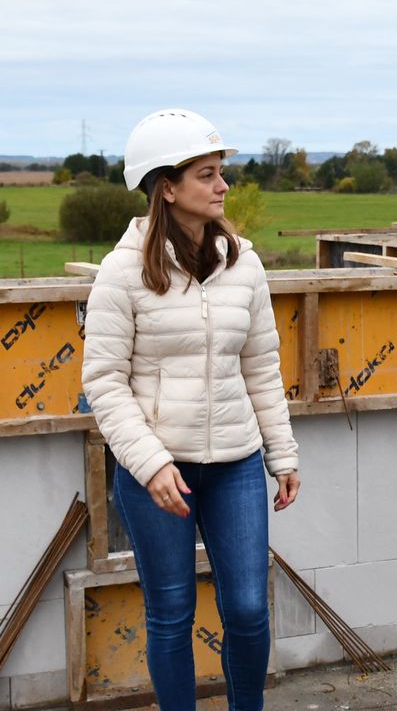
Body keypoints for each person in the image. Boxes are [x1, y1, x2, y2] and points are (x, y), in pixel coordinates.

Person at [82, 109, 300, 711]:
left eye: (221, 171)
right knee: (172, 610)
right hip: (156, 474)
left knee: (249, 610)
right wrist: (151, 463)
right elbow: (104, 381)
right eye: (207, 174)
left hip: (236, 465)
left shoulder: (244, 264)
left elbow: (261, 367)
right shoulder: (122, 271)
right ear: (167, 188)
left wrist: (282, 454)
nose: (223, 186)